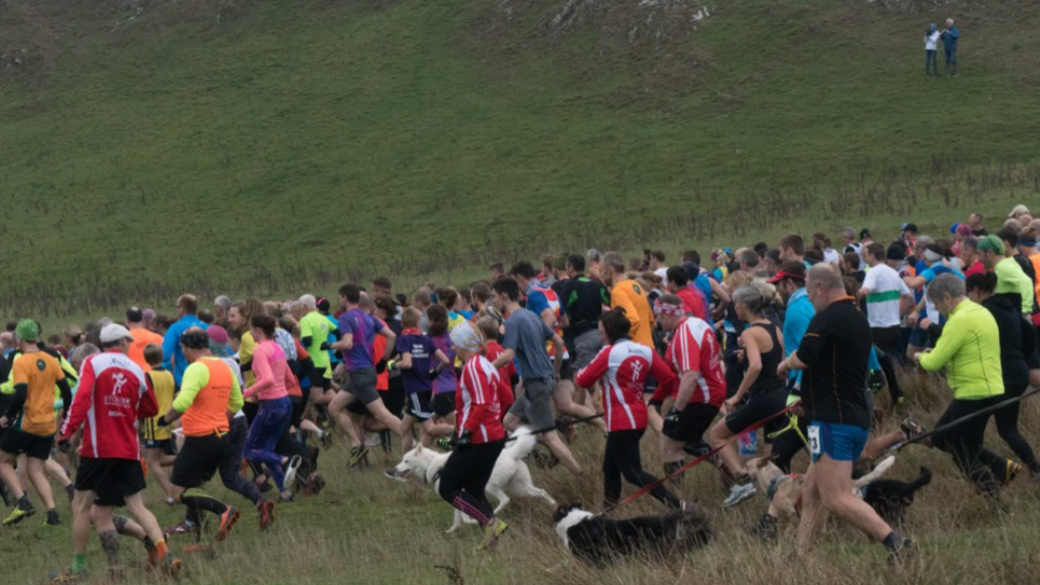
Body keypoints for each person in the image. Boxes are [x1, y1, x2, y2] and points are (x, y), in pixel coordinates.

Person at [778, 265, 912, 564]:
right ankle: (798, 557)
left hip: (833, 422)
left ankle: (896, 543)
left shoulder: (826, 318)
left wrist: (785, 364)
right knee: (812, 492)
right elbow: (832, 368)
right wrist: (809, 404)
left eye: (811, 294)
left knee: (835, 497)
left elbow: (804, 357)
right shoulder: (856, 316)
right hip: (850, 416)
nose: (810, 300)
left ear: (822, 288)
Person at [53, 324, 177, 583]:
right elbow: (151, 407)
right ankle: (165, 555)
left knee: (82, 507)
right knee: (135, 507)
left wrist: (66, 433)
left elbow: (82, 397)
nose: (131, 345)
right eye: (128, 341)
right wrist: (127, 411)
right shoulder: (136, 369)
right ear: (120, 342)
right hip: (128, 451)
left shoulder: (92, 362)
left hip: (97, 450)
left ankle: (79, 567)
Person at [914, 274, 1020, 494]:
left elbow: (933, 363)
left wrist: (919, 357)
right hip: (988, 388)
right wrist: (936, 353)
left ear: (947, 297)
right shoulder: (980, 311)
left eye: (937, 304)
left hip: (974, 392)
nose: (939, 310)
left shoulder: (959, 319)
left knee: (963, 452)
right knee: (941, 437)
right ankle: (1003, 467)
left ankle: (992, 494)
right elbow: (965, 348)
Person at [575, 308, 688, 510]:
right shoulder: (645, 349)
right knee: (610, 468)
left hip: (621, 420)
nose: (600, 337)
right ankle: (608, 512)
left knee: (632, 472)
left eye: (601, 333)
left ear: (609, 332)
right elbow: (669, 379)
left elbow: (583, 379)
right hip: (639, 417)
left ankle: (677, 505)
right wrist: (655, 400)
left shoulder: (608, 353)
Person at [709, 283, 789, 507]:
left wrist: (736, 397)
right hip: (780, 396)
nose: (734, 308)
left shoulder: (750, 332)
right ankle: (778, 501)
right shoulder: (774, 328)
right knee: (770, 458)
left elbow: (754, 367)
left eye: (735, 304)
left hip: (762, 399)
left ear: (744, 306)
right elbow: (781, 364)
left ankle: (742, 480)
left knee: (716, 435)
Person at [491, 277, 581, 474]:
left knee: (549, 436)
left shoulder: (512, 321)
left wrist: (485, 368)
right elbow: (558, 342)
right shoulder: (531, 316)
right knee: (510, 422)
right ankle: (544, 437)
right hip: (541, 379)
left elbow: (507, 355)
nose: (493, 301)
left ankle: (579, 473)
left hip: (537, 383)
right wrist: (555, 371)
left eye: (495, 297)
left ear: (504, 296)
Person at [162, 329, 244, 543]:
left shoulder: (196, 368)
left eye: (182, 349)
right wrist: (220, 419)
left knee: (177, 490)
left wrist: (165, 419)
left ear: (189, 347)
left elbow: (182, 402)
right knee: (195, 487)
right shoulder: (224, 367)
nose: (183, 353)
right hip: (221, 436)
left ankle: (223, 510)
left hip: (201, 438)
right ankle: (201, 537)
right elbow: (237, 403)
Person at [437, 323, 508, 550]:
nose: (453, 349)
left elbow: (481, 403)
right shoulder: (486, 365)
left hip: (480, 438)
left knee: (447, 487)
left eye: (455, 344)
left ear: (465, 344)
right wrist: (496, 422)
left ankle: (490, 522)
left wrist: (466, 431)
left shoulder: (473, 366)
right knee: (475, 490)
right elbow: (505, 397)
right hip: (491, 436)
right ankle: (492, 541)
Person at [964, 272, 1040, 477]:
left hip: (1002, 377)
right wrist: (1022, 355)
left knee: (989, 428)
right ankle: (1033, 470)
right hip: (1018, 373)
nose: (968, 299)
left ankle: (1002, 470)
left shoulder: (985, 312)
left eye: (968, 294)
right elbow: (1030, 330)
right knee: (1007, 428)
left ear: (977, 292)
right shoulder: (1008, 307)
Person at [0, 320, 72, 527]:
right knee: (35, 469)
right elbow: (66, 391)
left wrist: (7, 416)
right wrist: (66, 416)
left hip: (28, 423)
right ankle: (52, 515)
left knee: (3, 460)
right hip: (48, 424)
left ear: (19, 338)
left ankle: (22, 502)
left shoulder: (21, 362)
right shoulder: (51, 359)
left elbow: (21, 393)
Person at [649, 294, 726, 480]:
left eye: (658, 316)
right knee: (687, 439)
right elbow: (718, 356)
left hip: (703, 397)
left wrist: (676, 410)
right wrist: (658, 398)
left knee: (670, 444)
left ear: (667, 315)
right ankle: (726, 467)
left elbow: (690, 376)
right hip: (709, 393)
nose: (657, 322)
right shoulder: (697, 324)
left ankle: (677, 500)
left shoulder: (684, 334)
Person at [329, 282, 402, 466]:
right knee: (334, 407)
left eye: (340, 297)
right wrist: (384, 360)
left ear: (345, 297)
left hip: (360, 373)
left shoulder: (346, 318)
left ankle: (416, 444)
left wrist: (330, 345)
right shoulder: (370, 317)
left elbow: (347, 343)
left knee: (383, 415)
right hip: (363, 373)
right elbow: (391, 336)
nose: (339, 300)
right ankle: (356, 445)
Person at [242, 315, 300, 502]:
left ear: (258, 330)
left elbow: (267, 380)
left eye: (251, 329)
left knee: (248, 449)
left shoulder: (260, 350)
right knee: (267, 449)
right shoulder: (277, 347)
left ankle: (286, 461)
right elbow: (290, 378)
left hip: (271, 405)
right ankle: (285, 493)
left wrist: (245, 392)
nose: (250, 333)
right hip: (285, 403)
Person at [858, 243, 913, 404]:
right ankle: (896, 397)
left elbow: (865, 291)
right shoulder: (894, 273)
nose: (864, 258)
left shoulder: (873, 272)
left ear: (872, 256)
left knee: (875, 368)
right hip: (894, 327)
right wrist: (898, 314)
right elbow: (908, 296)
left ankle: (876, 402)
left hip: (878, 328)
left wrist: (847, 298)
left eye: (866, 255)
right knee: (889, 365)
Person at [140, 344, 178, 503]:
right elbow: (176, 393)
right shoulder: (169, 374)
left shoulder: (147, 376)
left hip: (153, 423)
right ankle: (182, 459)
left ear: (146, 359)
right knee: (160, 458)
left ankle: (171, 494)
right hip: (169, 421)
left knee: (152, 461)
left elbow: (142, 399)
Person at [977, 236, 1033, 315]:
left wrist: (1026, 311)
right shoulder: (1006, 263)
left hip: (1016, 317)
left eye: (979, 254)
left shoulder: (1003, 267)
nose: (978, 259)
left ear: (989, 253)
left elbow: (1026, 281)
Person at [162, 294, 210, 386]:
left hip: (184, 380)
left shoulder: (175, 328)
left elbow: (164, 355)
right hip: (206, 378)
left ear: (182, 309)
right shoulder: (207, 327)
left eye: (177, 307)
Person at [126, 307, 163, 372]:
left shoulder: (124, 340)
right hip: (154, 375)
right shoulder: (157, 337)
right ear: (141, 319)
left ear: (127, 320)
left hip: (134, 375)